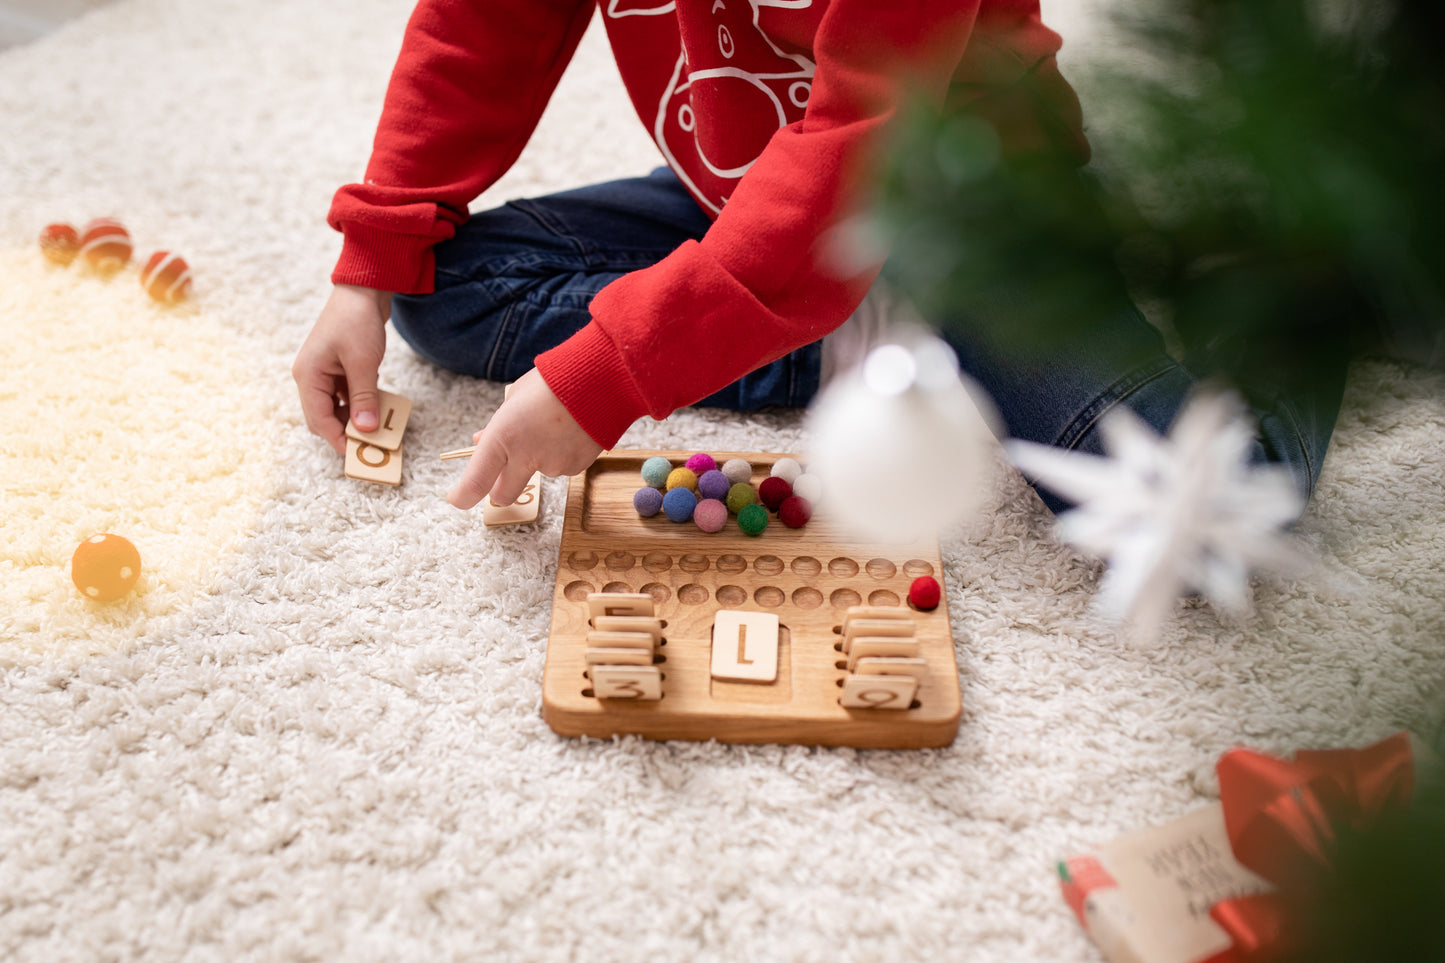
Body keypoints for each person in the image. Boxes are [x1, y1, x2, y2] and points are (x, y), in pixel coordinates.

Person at [292, 0, 1342, 516]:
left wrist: (612, 371)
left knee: (1203, 511)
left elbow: (853, 154)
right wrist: (369, 254)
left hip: (967, 229)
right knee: (436, 288)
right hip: (751, 198)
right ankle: (813, 328)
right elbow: (482, 30)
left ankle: (1323, 265)